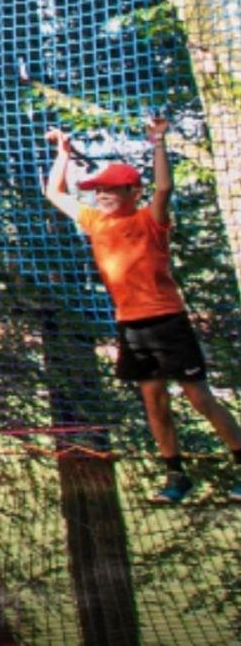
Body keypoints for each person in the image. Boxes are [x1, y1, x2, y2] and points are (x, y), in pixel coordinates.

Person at [43, 118, 241, 504]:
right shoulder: (96, 222)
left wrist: (158, 142)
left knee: (199, 397)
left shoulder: (149, 220)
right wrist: (62, 154)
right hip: (131, 327)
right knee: (154, 400)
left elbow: (164, 187)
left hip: (167, 321)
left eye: (109, 189)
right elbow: (55, 192)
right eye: (97, 189)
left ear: (133, 191)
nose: (100, 195)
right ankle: (176, 477)